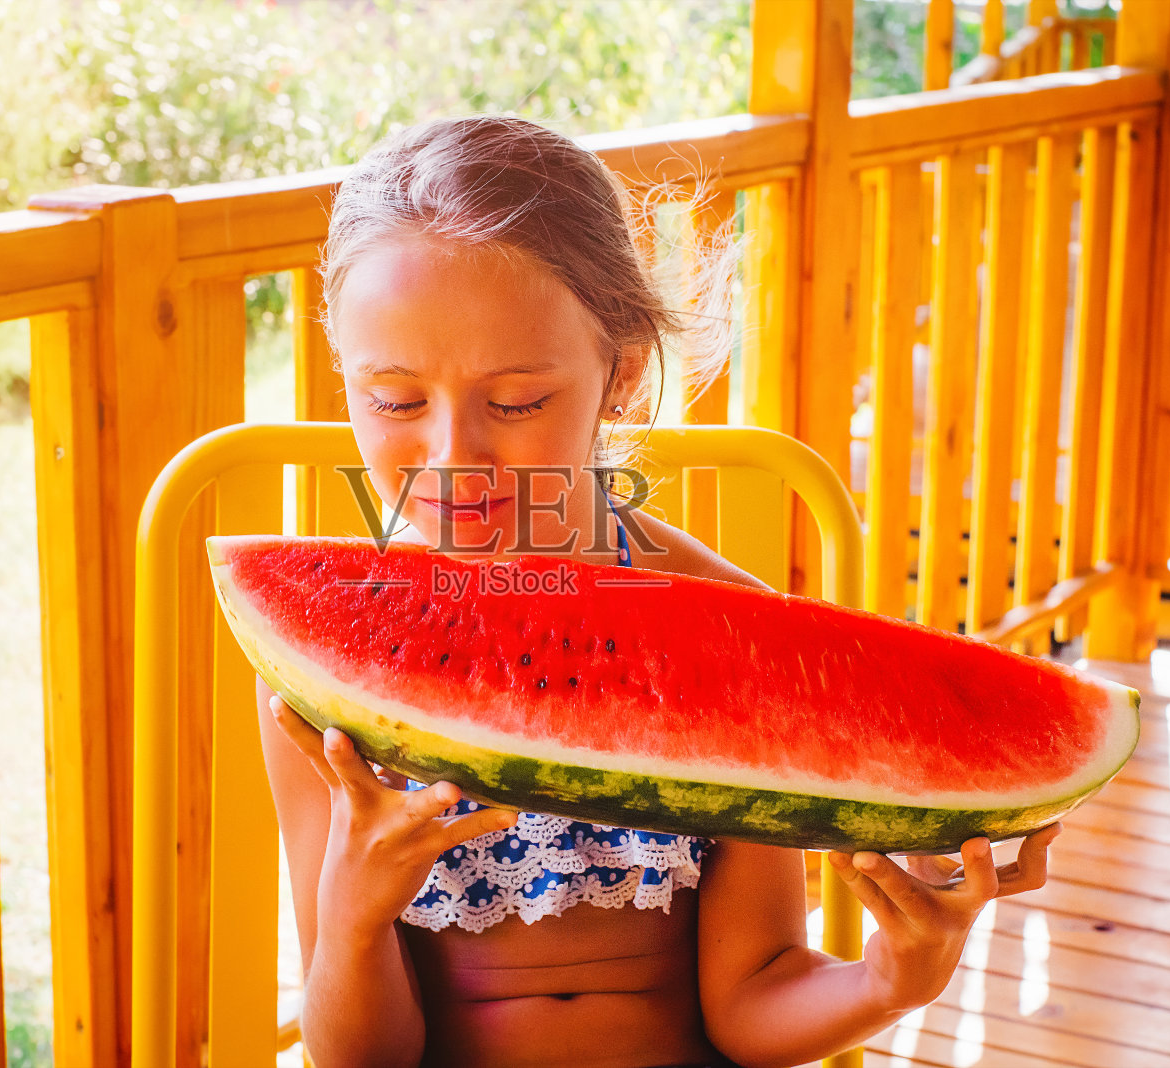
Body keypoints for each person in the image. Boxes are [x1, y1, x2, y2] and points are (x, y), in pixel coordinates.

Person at [256, 114, 1059, 1068]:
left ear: (622, 374)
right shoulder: (323, 681)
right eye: (394, 401)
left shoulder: (738, 639)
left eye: (514, 403)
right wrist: (351, 915)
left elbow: (753, 1007)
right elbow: (361, 1058)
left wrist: (895, 976)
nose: (450, 456)